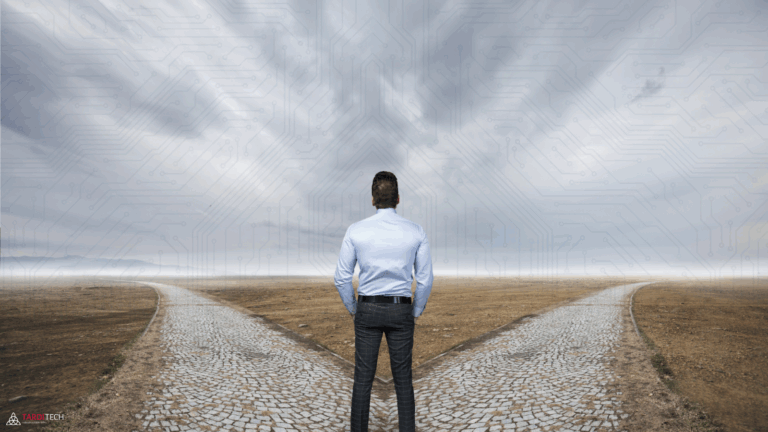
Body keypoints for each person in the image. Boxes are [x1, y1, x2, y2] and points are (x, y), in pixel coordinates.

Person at [334, 171, 434, 432]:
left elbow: (342, 278)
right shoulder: (416, 231)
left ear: (372, 200)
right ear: (398, 199)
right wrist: (416, 310)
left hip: (367, 308)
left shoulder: (355, 231)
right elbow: (424, 279)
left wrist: (355, 308)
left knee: (362, 381)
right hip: (401, 309)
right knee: (403, 381)